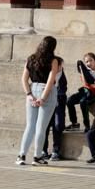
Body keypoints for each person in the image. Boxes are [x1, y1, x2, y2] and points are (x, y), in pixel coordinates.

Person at [17, 36, 64, 166]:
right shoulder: (54, 60)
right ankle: (37, 157)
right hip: (46, 91)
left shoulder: (31, 59)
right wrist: (43, 97)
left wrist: (29, 94)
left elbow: (24, 79)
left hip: (33, 88)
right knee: (41, 128)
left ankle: (21, 155)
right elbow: (51, 80)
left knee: (30, 126)